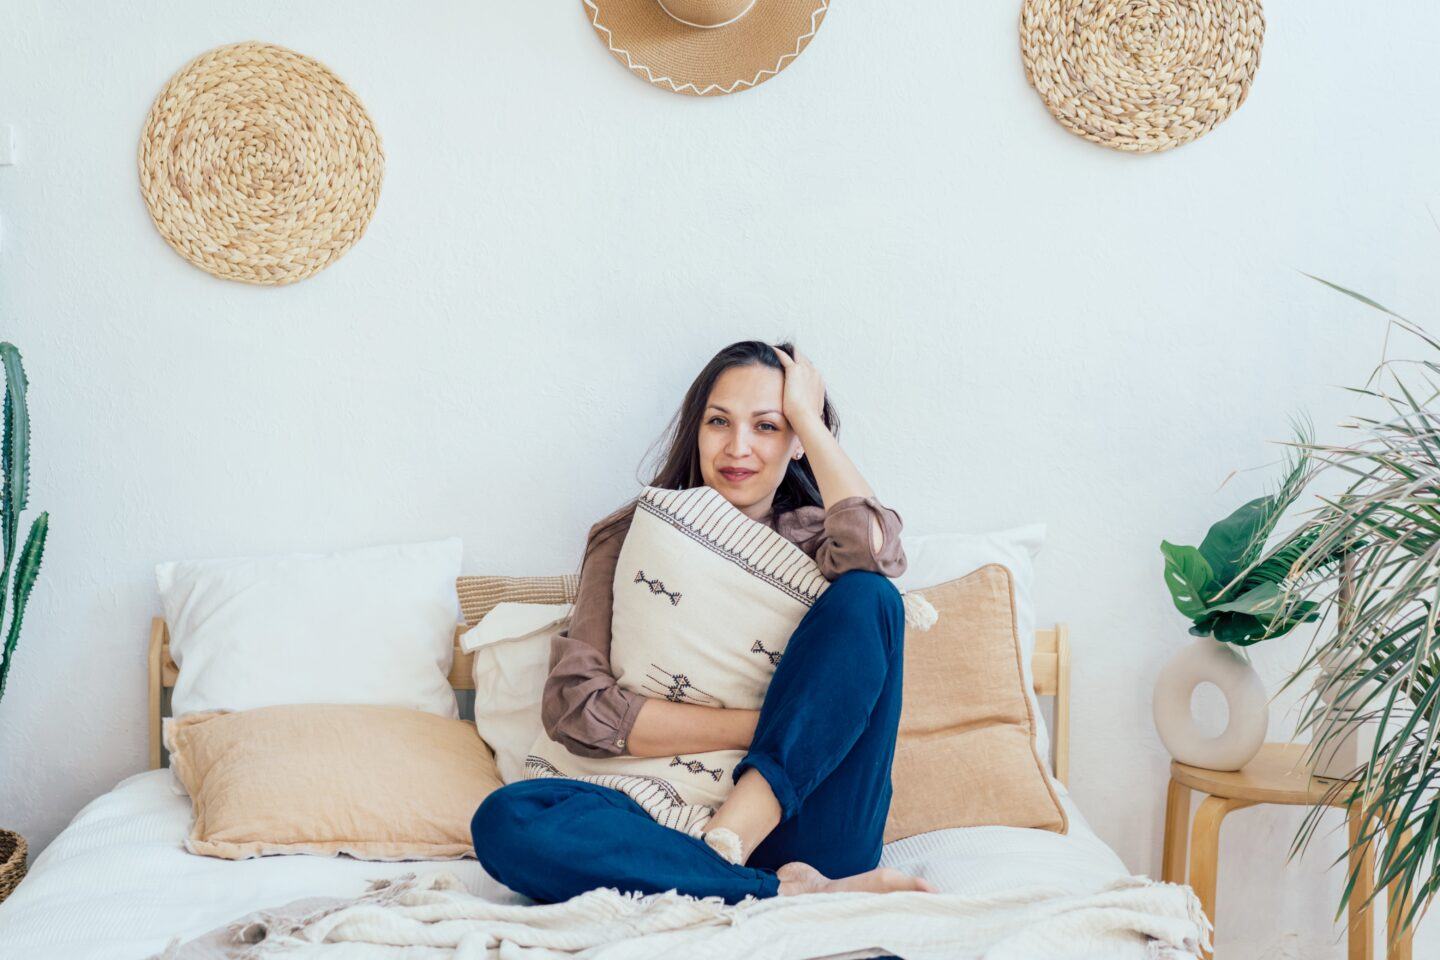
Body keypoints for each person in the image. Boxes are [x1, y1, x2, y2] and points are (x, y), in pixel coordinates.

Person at [471, 340, 935, 904]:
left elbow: (879, 551)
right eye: (719, 421)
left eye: (768, 426)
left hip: (806, 821)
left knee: (872, 596)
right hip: (649, 809)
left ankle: (731, 844)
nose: (738, 447)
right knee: (508, 820)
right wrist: (781, 722)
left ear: (796, 444)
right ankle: (775, 891)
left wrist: (810, 422)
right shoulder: (630, 538)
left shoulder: (828, 548)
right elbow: (579, 710)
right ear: (697, 429)